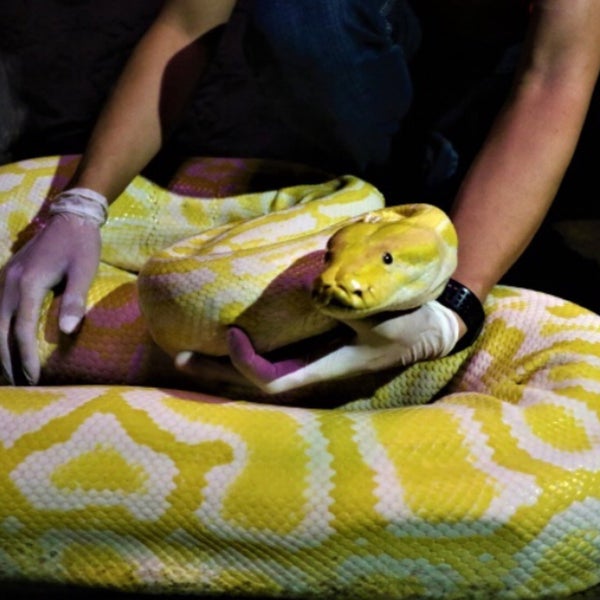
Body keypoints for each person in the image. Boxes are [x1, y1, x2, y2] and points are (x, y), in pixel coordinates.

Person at [1, 0, 599, 390]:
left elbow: (557, 73)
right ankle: (396, 206)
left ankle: (468, 217)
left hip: (517, 67)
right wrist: (81, 204)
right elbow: (187, 25)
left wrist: (453, 310)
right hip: (386, 49)